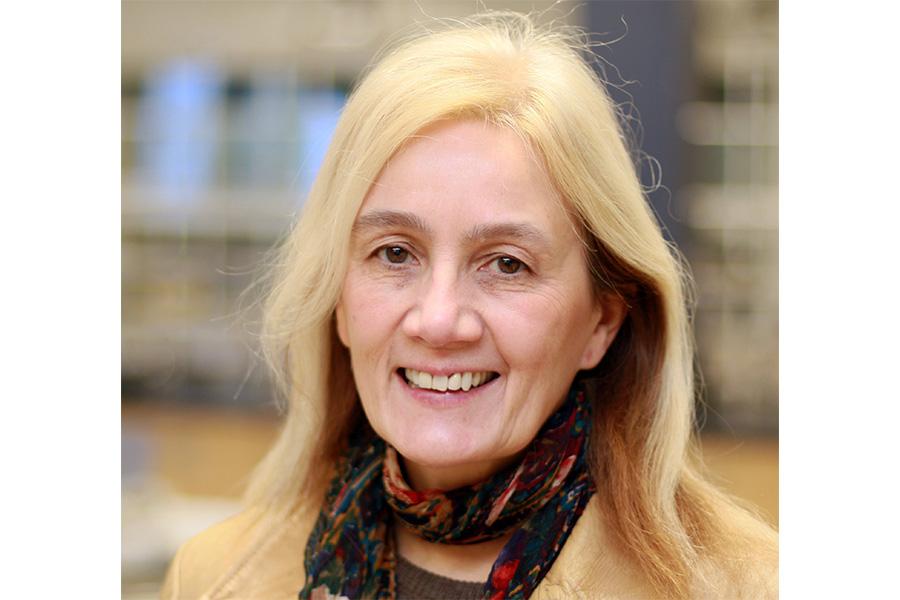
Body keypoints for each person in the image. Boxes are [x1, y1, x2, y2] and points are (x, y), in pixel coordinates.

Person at [162, 11, 777, 600]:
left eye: (507, 263)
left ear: (602, 321)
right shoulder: (214, 578)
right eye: (395, 254)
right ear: (339, 302)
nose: (438, 320)